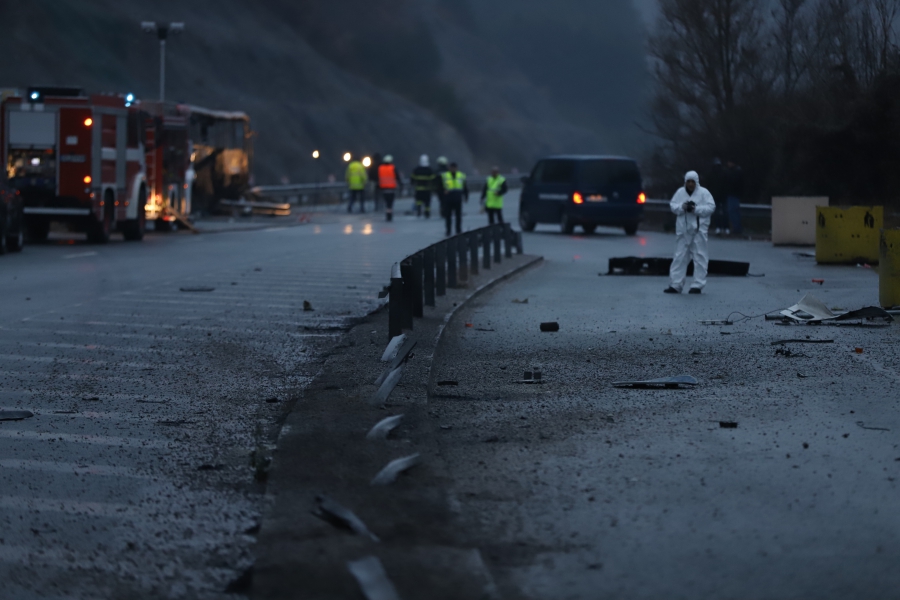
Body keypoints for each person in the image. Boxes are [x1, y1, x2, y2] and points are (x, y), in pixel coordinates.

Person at [664, 170, 716, 295]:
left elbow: (711, 207)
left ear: (696, 182)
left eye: (693, 182)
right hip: (683, 231)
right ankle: (676, 284)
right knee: (679, 256)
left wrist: (696, 209)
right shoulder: (680, 193)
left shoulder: (704, 193)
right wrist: (682, 207)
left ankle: (697, 285)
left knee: (700, 257)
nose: (690, 184)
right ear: (685, 182)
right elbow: (673, 205)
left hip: (699, 231)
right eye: (688, 181)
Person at [440, 161, 468, 236]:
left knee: (458, 216)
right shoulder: (445, 175)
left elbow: (465, 187)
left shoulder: (461, 175)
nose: (453, 169)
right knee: (448, 216)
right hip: (448, 199)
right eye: (451, 168)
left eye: (454, 168)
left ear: (456, 168)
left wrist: (466, 196)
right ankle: (448, 230)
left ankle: (458, 230)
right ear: (449, 168)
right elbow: (439, 187)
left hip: (457, 198)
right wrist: (443, 193)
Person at [707, 158, 729, 235]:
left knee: (716, 212)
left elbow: (708, 185)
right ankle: (726, 228)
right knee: (725, 212)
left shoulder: (711, 173)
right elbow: (727, 185)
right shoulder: (725, 173)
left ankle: (718, 227)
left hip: (714, 196)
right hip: (723, 196)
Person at [378, 155, 402, 221]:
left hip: (383, 188)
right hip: (391, 188)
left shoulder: (380, 168)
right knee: (390, 203)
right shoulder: (392, 168)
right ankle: (389, 214)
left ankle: (387, 213)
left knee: (386, 202)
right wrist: (400, 184)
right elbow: (397, 177)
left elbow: (378, 177)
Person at [724, 160, 744, 235]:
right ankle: (737, 228)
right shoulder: (738, 171)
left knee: (732, 211)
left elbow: (732, 183)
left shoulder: (734, 172)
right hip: (736, 194)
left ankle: (736, 228)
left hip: (733, 194)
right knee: (735, 212)